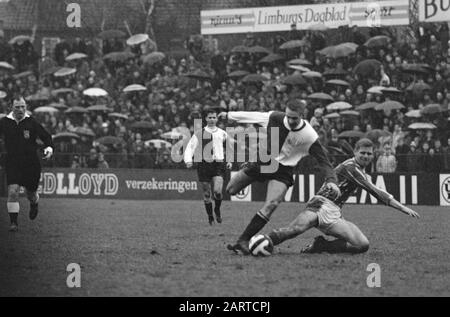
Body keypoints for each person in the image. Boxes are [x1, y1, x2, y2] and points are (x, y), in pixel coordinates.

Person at [218, 99, 340, 255]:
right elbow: (253, 116)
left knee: (271, 205)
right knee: (231, 189)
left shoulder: (309, 135)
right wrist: (229, 115)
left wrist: (332, 181)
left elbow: (325, 162)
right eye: (288, 116)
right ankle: (251, 170)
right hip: (264, 162)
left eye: (294, 118)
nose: (290, 120)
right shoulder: (275, 117)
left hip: (284, 171)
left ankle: (243, 240)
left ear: (302, 116)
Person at [264, 138, 419, 254]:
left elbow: (372, 188)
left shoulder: (357, 169)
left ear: (373, 155)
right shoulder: (351, 168)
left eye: (369, 153)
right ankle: (264, 241)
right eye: (362, 153)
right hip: (320, 204)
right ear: (355, 152)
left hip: (334, 212)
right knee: (295, 230)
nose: (365, 156)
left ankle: (322, 246)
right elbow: (375, 191)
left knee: (362, 244)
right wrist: (402, 207)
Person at [0, 97, 54, 232]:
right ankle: (13, 223)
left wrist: (49, 148)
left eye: (23, 106)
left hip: (31, 164)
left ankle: (34, 203)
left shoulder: (32, 122)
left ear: (26, 107)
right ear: (11, 107)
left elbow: (47, 137)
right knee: (13, 192)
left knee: (31, 194)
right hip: (13, 162)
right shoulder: (4, 123)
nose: (20, 110)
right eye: (17, 107)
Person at [184, 109, 233, 225]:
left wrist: (230, 160)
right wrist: (188, 160)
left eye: (214, 117)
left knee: (217, 192)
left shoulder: (222, 133)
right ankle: (210, 216)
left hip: (218, 164)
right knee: (207, 194)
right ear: (205, 119)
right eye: (209, 117)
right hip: (204, 164)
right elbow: (190, 147)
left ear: (217, 118)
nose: (212, 120)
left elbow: (229, 148)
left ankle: (217, 210)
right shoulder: (199, 133)